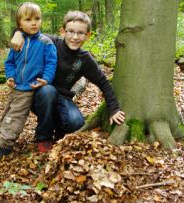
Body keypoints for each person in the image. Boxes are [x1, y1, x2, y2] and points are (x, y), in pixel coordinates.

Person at [10, 10, 125, 152]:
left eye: (81, 33)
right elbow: (30, 31)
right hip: (38, 95)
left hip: (63, 97)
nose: (75, 37)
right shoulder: (49, 42)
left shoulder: (85, 59)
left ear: (88, 35)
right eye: (70, 31)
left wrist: (113, 109)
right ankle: (43, 136)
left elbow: (104, 82)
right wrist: (17, 32)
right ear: (63, 31)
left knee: (76, 123)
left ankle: (58, 129)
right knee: (48, 90)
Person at [0, 2, 57, 160]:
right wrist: (10, 76)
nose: (33, 23)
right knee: (7, 113)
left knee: (16, 116)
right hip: (16, 86)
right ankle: (2, 136)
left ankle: (4, 146)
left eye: (37, 18)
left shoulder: (46, 43)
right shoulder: (17, 42)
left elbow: (51, 63)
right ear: (19, 24)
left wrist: (46, 79)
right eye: (28, 19)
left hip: (30, 87)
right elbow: (9, 62)